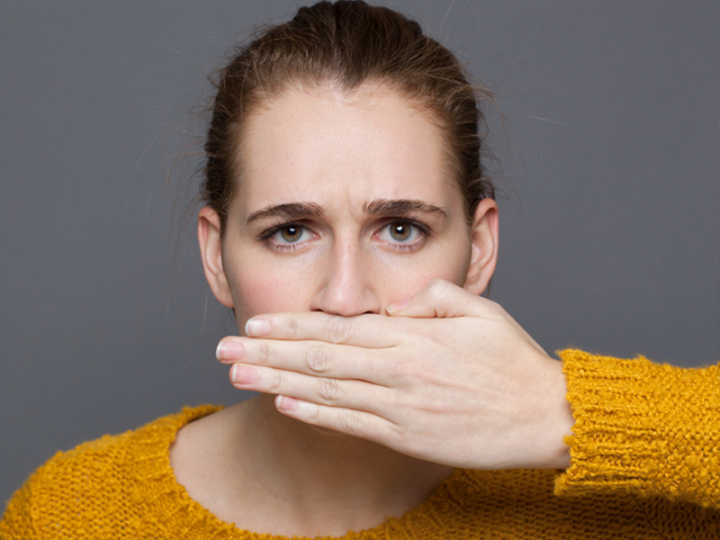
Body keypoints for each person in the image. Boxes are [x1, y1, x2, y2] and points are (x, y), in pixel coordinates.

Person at [2, 1, 718, 538]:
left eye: (401, 230)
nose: (345, 298)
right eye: (290, 231)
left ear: (480, 249)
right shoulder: (68, 514)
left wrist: (566, 413)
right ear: (216, 258)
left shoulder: (626, 511)